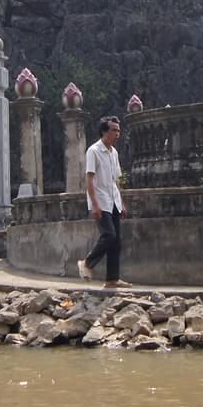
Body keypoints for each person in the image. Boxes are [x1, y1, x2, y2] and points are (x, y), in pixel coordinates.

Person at [76, 116, 128, 287]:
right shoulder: (94, 151)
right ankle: (87, 263)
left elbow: (115, 181)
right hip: (100, 201)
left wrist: (121, 203)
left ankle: (112, 279)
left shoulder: (114, 153)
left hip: (113, 201)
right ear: (104, 132)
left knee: (116, 241)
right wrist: (95, 204)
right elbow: (89, 179)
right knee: (109, 235)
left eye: (118, 130)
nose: (117, 133)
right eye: (114, 130)